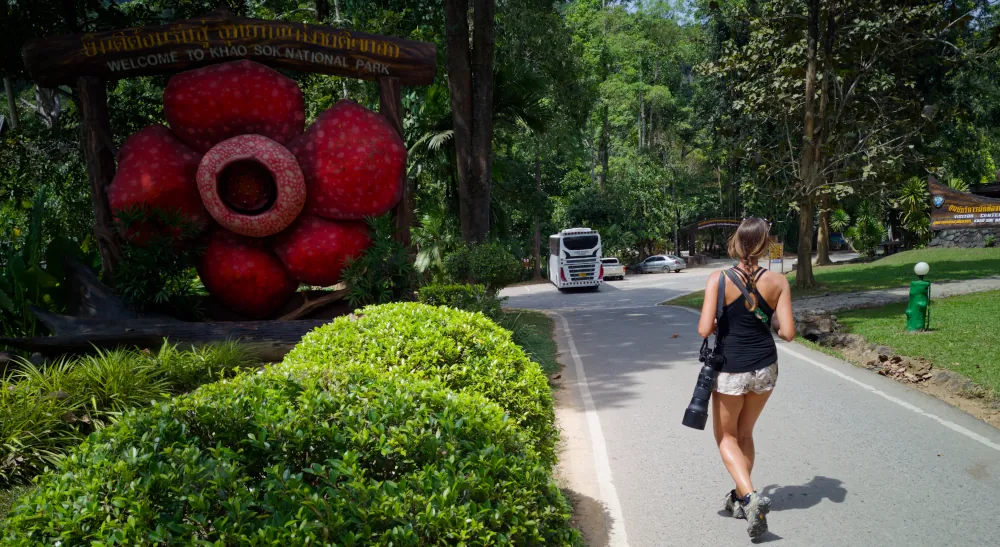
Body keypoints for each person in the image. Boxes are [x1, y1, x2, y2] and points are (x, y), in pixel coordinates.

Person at [697, 217, 795, 539]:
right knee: (746, 432)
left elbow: (703, 329)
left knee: (726, 437)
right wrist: (772, 324)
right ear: (765, 245)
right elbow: (788, 333)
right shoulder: (779, 282)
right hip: (765, 368)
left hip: (730, 370)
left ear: (736, 243)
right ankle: (740, 497)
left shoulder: (718, 279)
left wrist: (715, 323)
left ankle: (751, 498)